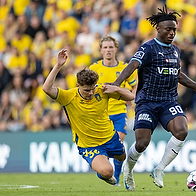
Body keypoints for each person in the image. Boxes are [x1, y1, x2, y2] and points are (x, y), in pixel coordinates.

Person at [112, 5, 196, 191]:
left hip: (168, 102)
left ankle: (159, 169)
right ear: (158, 29)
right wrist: (117, 84)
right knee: (142, 143)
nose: (172, 32)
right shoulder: (148, 48)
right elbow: (132, 65)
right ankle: (128, 169)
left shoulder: (175, 50)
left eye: (174, 29)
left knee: (182, 130)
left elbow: (178, 75)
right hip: (147, 102)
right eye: (168, 29)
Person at [42, 49, 134, 185]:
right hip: (89, 145)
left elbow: (131, 97)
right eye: (86, 90)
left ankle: (118, 175)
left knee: (122, 156)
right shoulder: (69, 96)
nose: (91, 93)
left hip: (110, 137)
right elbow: (46, 88)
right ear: (78, 85)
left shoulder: (101, 90)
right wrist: (58, 66)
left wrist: (116, 88)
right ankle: (105, 174)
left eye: (92, 89)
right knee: (108, 171)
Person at [89, 35, 137, 186]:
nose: (108, 50)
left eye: (111, 47)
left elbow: (135, 84)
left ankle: (115, 176)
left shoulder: (124, 67)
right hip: (100, 114)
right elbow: (85, 88)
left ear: (116, 49)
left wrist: (132, 97)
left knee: (118, 143)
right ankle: (105, 170)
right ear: (101, 50)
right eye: (105, 47)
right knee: (103, 145)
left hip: (119, 111)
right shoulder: (94, 68)